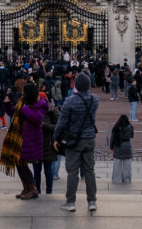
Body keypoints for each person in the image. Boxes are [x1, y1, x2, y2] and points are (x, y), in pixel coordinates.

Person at [55, 71, 99, 212]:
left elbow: (61, 123)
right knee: (89, 171)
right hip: (90, 138)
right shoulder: (95, 100)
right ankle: (92, 201)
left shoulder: (70, 101)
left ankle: (71, 201)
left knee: (72, 172)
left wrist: (56, 137)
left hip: (74, 140)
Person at [0, 82, 48, 199]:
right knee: (19, 163)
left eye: (24, 93)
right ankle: (27, 188)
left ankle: (32, 188)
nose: (23, 95)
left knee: (22, 164)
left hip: (31, 140)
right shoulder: (24, 102)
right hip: (20, 139)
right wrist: (7, 100)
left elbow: (36, 118)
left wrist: (23, 108)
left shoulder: (41, 104)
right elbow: (14, 111)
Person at [109, 114, 134, 184]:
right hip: (127, 146)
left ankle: (117, 179)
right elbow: (131, 136)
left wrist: (111, 147)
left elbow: (112, 138)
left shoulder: (116, 127)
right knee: (127, 165)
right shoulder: (130, 127)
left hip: (118, 146)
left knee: (117, 165)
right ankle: (127, 179)